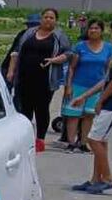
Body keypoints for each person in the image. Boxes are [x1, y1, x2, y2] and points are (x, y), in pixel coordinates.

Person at [71, 15, 112, 195]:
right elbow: (106, 80)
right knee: (100, 140)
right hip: (109, 104)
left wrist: (100, 100)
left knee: (93, 140)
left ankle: (107, 177)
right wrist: (84, 96)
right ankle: (96, 179)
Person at [7, 8, 71, 151]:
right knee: (24, 109)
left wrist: (55, 60)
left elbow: (69, 54)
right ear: (41, 19)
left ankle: (40, 140)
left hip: (45, 79)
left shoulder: (59, 36)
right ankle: (25, 138)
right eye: (46, 17)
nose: (48, 20)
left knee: (41, 109)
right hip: (24, 77)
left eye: (51, 18)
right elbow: (16, 52)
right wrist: (11, 71)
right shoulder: (29, 33)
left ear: (56, 21)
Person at [60, 19, 112, 151]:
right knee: (73, 115)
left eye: (96, 28)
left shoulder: (108, 48)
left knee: (89, 115)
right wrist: (69, 86)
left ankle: (83, 143)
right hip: (78, 85)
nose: (93, 31)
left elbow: (108, 70)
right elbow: (72, 67)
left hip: (96, 88)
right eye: (91, 28)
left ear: (102, 31)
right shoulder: (80, 46)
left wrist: (105, 86)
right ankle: (71, 143)